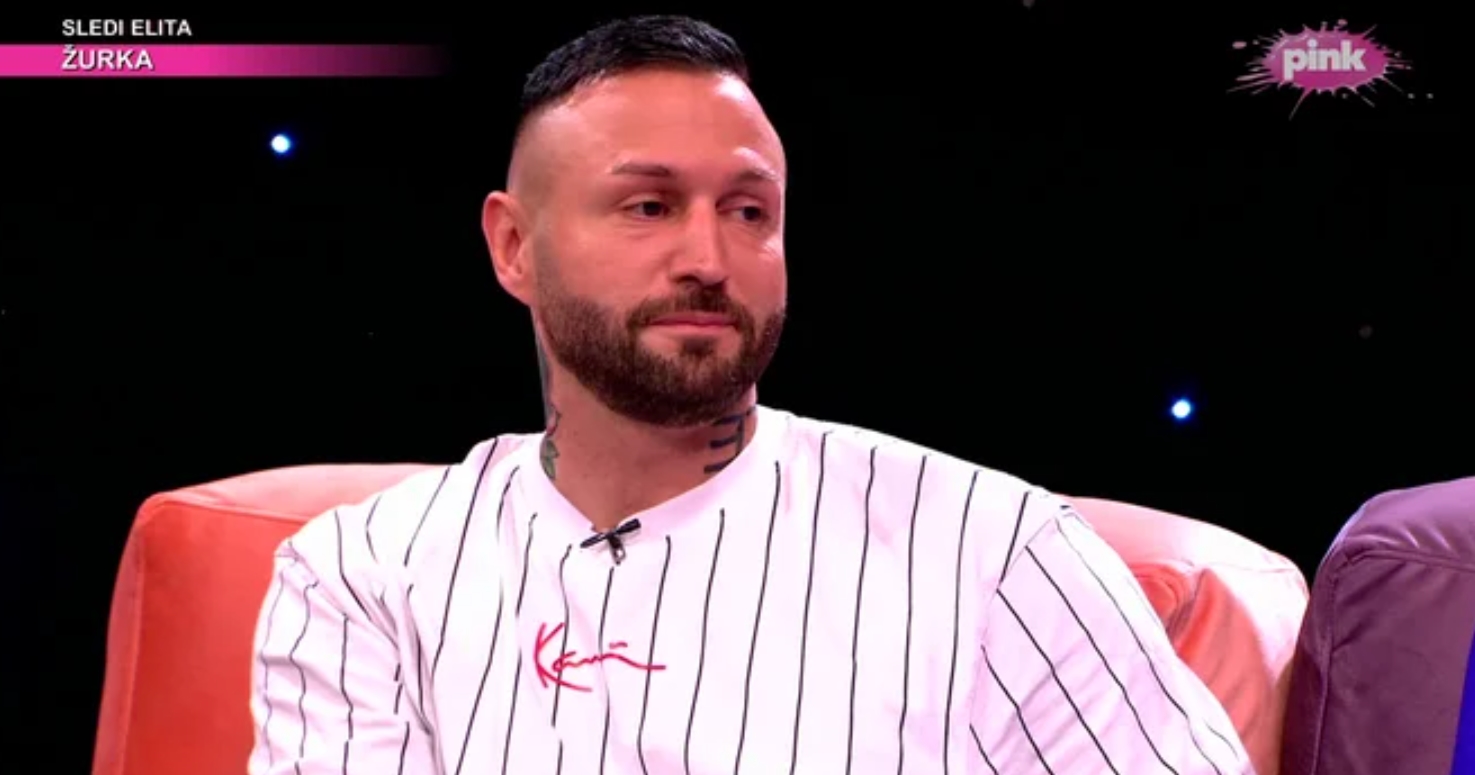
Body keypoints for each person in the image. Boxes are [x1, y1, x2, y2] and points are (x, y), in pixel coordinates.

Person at [248, 15, 1253, 775]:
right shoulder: (362, 572)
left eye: (747, 212)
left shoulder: (994, 554)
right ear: (513, 245)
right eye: (648, 206)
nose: (707, 257)